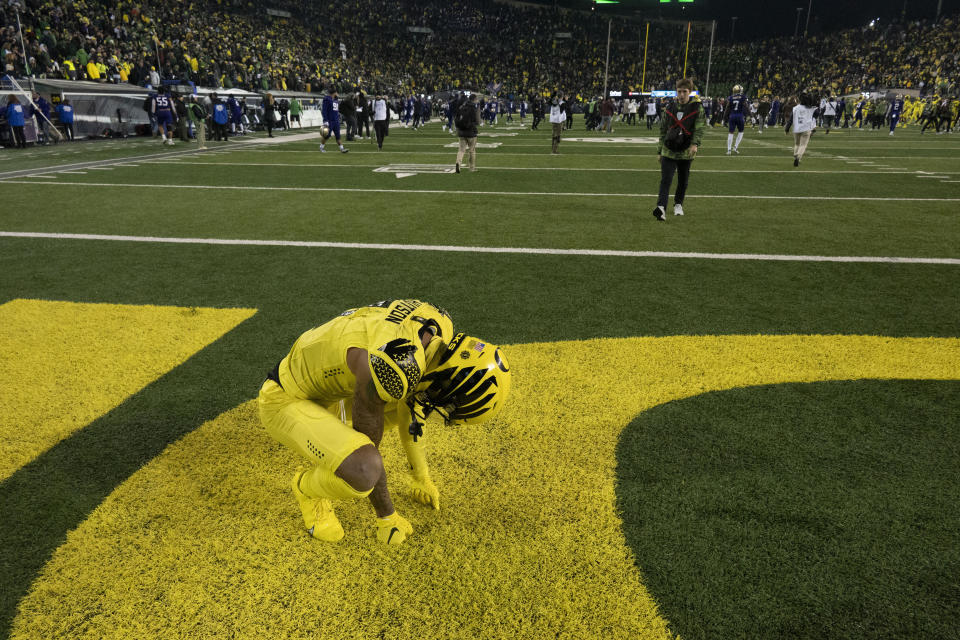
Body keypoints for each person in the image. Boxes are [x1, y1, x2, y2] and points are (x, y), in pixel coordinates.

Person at [257, 299, 511, 546]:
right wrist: (387, 516)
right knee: (364, 468)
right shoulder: (395, 369)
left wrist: (421, 477)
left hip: (324, 373)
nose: (442, 408)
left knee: (402, 398)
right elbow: (369, 452)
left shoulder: (438, 327)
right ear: (450, 381)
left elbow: (413, 409)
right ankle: (307, 489)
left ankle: (334, 437)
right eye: (449, 404)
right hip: (285, 397)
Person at [652, 78, 704, 221]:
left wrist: (695, 144)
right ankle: (661, 208)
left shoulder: (697, 108)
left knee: (683, 180)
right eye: (679, 91)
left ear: (690, 92)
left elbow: (699, 128)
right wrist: (659, 151)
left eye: (684, 92)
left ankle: (678, 204)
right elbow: (662, 130)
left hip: (686, 150)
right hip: (669, 149)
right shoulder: (669, 107)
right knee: (666, 179)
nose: (681, 94)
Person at [454, 92, 480, 172]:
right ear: (474, 100)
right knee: (472, 150)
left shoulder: (462, 106)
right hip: (471, 132)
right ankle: (471, 168)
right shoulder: (474, 108)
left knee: (461, 150)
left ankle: (458, 163)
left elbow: (457, 117)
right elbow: (477, 121)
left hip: (461, 131)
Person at [791, 91, 818, 167]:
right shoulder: (811, 108)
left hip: (796, 128)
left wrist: (787, 128)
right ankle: (798, 157)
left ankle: (795, 155)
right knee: (803, 145)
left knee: (797, 143)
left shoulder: (795, 108)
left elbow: (790, 119)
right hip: (806, 128)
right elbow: (817, 114)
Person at [320, 87, 348, 153]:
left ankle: (342, 149)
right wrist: (325, 120)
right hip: (329, 121)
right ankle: (321, 147)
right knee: (327, 135)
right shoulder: (327, 99)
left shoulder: (335, 100)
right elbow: (324, 110)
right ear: (334, 93)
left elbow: (336, 110)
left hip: (336, 120)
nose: (337, 94)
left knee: (338, 135)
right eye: (336, 92)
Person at [724, 83, 748, 155]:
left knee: (731, 133)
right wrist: (752, 116)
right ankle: (735, 147)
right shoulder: (743, 97)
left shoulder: (730, 97)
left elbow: (727, 108)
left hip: (732, 116)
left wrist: (724, 118)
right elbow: (746, 106)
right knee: (741, 132)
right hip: (740, 116)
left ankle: (728, 150)